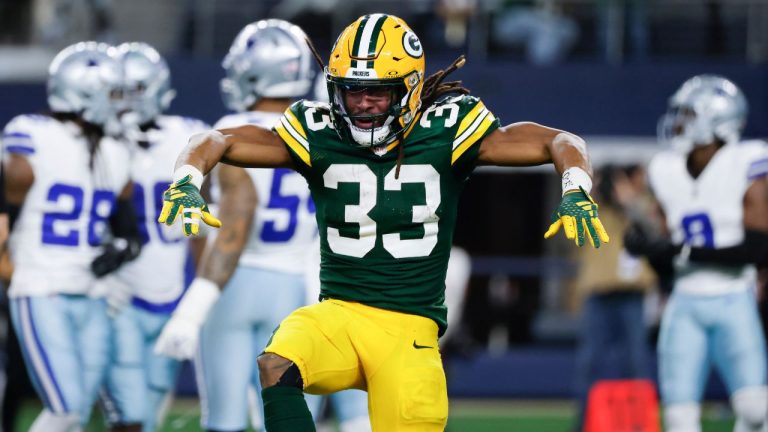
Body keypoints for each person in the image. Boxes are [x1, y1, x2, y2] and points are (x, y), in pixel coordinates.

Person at [157, 13, 609, 431]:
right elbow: (214, 139)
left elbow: (560, 140)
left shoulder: (447, 129)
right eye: (353, 90)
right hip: (339, 313)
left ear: (409, 88)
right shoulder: (319, 131)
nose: (364, 104)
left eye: (378, 91)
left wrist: (574, 187)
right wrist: (187, 178)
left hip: (409, 328)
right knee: (277, 363)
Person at [153, 19, 333, 432]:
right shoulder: (321, 127)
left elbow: (234, 214)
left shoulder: (233, 129)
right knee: (288, 414)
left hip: (232, 283)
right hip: (299, 290)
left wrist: (195, 302)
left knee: (225, 418)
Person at [2, 41, 140, 432]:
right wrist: (7, 266)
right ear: (82, 92)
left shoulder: (115, 149)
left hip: (93, 293)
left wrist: (122, 250)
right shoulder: (32, 133)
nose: (120, 103)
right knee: (62, 409)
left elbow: (129, 231)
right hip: (41, 286)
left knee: (76, 414)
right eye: (112, 93)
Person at [624, 75, 768, 432]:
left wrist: (679, 249)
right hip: (684, 302)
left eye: (688, 113)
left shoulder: (747, 161)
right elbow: (666, 259)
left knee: (754, 408)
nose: (678, 122)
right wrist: (646, 246)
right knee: (678, 418)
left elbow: (758, 249)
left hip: (734, 295)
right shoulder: (665, 169)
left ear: (718, 119)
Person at [96, 41, 210, 432]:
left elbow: (199, 224)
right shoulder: (104, 141)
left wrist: (199, 291)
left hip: (170, 290)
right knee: (129, 415)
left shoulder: (189, 135)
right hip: (118, 293)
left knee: (154, 404)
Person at [571, 164, 657, 431]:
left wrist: (628, 200)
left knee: (636, 363)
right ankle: (583, 425)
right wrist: (592, 190)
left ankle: (638, 424)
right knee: (590, 365)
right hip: (599, 296)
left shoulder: (640, 205)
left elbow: (654, 230)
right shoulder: (590, 206)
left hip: (632, 296)